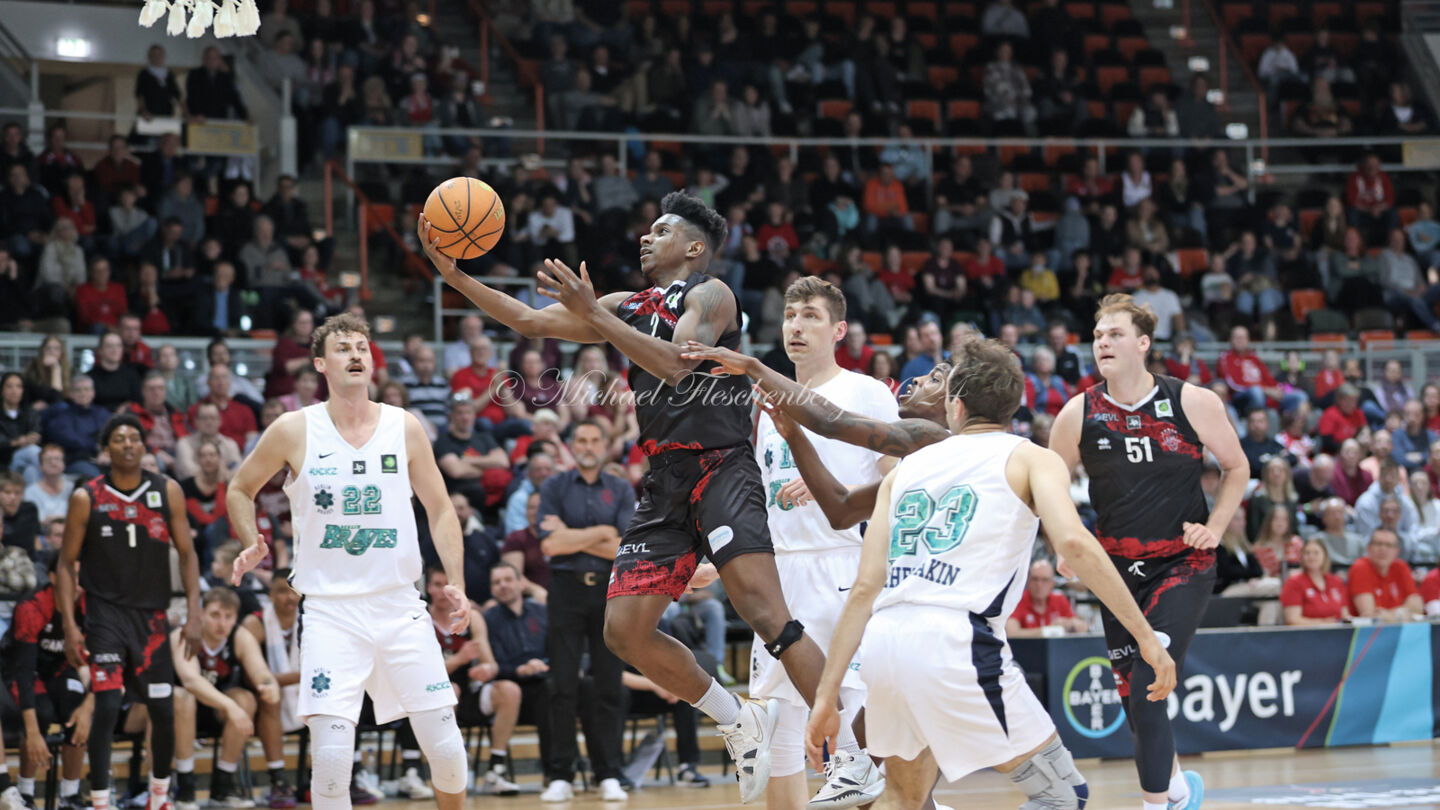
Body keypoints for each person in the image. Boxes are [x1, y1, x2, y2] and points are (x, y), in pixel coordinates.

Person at [422, 191, 820, 803]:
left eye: (661, 230)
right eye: (647, 229)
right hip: (664, 479)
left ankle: (853, 754)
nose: (646, 237)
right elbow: (528, 320)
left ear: (692, 247)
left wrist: (596, 315)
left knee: (767, 617)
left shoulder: (711, 296)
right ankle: (738, 719)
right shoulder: (626, 304)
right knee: (625, 632)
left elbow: (677, 366)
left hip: (721, 464)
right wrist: (454, 275)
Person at [802, 337, 1176, 810]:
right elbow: (1077, 544)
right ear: (1014, 406)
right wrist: (1145, 637)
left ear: (955, 406)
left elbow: (863, 590)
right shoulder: (1030, 457)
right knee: (1063, 796)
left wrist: (825, 698)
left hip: (885, 643)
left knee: (901, 797)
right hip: (958, 642)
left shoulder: (905, 472)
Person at [227, 313, 473, 810]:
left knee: (447, 752)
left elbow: (441, 507)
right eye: (343, 348)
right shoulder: (294, 429)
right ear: (320, 363)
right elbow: (239, 487)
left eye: (362, 346)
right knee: (334, 761)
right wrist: (252, 538)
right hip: (330, 613)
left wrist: (459, 582)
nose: (356, 354)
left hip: (400, 605)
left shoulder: (404, 426)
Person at [1048, 294, 1247, 810]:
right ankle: (1180, 790)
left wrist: (1216, 526)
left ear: (1143, 343)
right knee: (1134, 701)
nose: (1102, 343)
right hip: (1114, 571)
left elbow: (1237, 467)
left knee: (1148, 685)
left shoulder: (1193, 402)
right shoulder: (1078, 413)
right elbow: (1046, 488)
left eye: (1114, 334)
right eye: (1096, 336)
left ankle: (1156, 804)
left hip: (1182, 562)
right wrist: (1064, 544)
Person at [749, 278, 893, 809]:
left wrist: (831, 488)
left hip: (840, 566)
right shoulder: (766, 401)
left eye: (810, 315)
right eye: (790, 315)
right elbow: (762, 499)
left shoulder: (864, 391)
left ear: (838, 329)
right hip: (779, 572)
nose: (795, 325)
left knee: (849, 727)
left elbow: (899, 482)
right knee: (775, 733)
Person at [57, 412, 203, 810]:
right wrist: (71, 626)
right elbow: (65, 565)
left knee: (162, 705)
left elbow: (188, 554)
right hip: (104, 616)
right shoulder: (86, 497)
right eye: (118, 438)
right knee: (105, 704)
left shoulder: (167, 490)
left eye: (134, 437)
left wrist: (194, 612)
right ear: (107, 449)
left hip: (153, 618)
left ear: (144, 445)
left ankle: (159, 797)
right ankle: (102, 800)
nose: (127, 444)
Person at [535, 420, 632, 802]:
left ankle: (608, 772)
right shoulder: (554, 487)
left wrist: (573, 536)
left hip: (609, 593)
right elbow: (550, 547)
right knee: (562, 684)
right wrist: (602, 533)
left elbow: (623, 548)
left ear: (606, 446)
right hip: (565, 592)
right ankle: (561, 774)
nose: (588, 446)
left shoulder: (621, 488)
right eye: (581, 440)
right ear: (571, 446)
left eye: (595, 440)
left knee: (609, 685)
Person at [171, 588, 281, 810]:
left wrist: (270, 686)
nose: (222, 623)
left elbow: (261, 671)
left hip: (217, 710)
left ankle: (223, 787)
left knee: (246, 700)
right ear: (201, 614)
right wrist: (229, 705)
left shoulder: (239, 637)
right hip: (176, 713)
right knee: (183, 697)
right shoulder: (184, 635)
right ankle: (186, 788)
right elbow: (191, 681)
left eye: (228, 617)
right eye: (215, 615)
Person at [6, 566, 93, 810]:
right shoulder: (31, 606)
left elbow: (103, 660)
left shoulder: (88, 606)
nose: (78, 583)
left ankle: (70, 797)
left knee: (77, 713)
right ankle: (26, 793)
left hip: (59, 669)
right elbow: (23, 672)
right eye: (71, 576)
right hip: (22, 669)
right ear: (54, 577)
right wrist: (33, 732)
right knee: (40, 714)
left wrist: (88, 706)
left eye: (81, 576)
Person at [423, 567, 514, 795]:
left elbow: (490, 664)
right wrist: (459, 659)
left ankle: (496, 768)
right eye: (437, 585)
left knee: (509, 691)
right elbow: (423, 674)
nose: (443, 592)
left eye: (448, 586)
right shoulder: (420, 619)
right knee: (449, 690)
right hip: (430, 697)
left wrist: (485, 669)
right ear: (428, 588)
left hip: (469, 693)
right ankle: (449, 768)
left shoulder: (471, 617)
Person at [482, 563, 552, 794]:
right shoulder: (487, 619)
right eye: (496, 582)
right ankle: (497, 769)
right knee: (512, 689)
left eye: (508, 580)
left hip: (543, 683)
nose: (503, 586)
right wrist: (519, 670)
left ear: (521, 583)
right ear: (491, 589)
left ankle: (556, 773)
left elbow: (558, 650)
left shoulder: (541, 612)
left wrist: (543, 665)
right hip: (507, 687)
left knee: (560, 689)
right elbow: (492, 666)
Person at [240, 571, 304, 809]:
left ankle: (333, 776)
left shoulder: (311, 620)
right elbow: (253, 678)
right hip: (258, 700)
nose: (289, 597)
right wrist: (303, 676)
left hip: (302, 693)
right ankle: (278, 779)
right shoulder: (255, 623)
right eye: (281, 591)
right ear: (270, 594)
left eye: (294, 591)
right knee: (269, 696)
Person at [1347, 528, 1423, 621]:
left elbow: (1417, 606)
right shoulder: (1360, 567)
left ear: (1397, 551)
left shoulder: (1401, 566)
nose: (1383, 549)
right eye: (1378, 544)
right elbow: (1369, 615)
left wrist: (1389, 615)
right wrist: (1402, 613)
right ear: (1368, 548)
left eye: (1389, 545)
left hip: (1400, 630)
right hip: (1368, 633)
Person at [1006, 559, 1088, 637]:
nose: (1039, 585)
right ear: (1028, 581)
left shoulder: (1059, 599)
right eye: (1035, 579)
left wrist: (1068, 624)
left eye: (1045, 580)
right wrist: (1049, 630)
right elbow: (1011, 633)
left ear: (1052, 583)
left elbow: (1083, 627)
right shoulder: (1018, 600)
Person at [1280, 540, 1349, 625]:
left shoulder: (1336, 582)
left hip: (1337, 633)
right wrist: (1322, 623)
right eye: (1307, 553)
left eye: (1316, 553)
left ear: (1325, 556)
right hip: (1306, 635)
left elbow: (1345, 614)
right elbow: (1292, 619)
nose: (1311, 557)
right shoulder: (1293, 582)